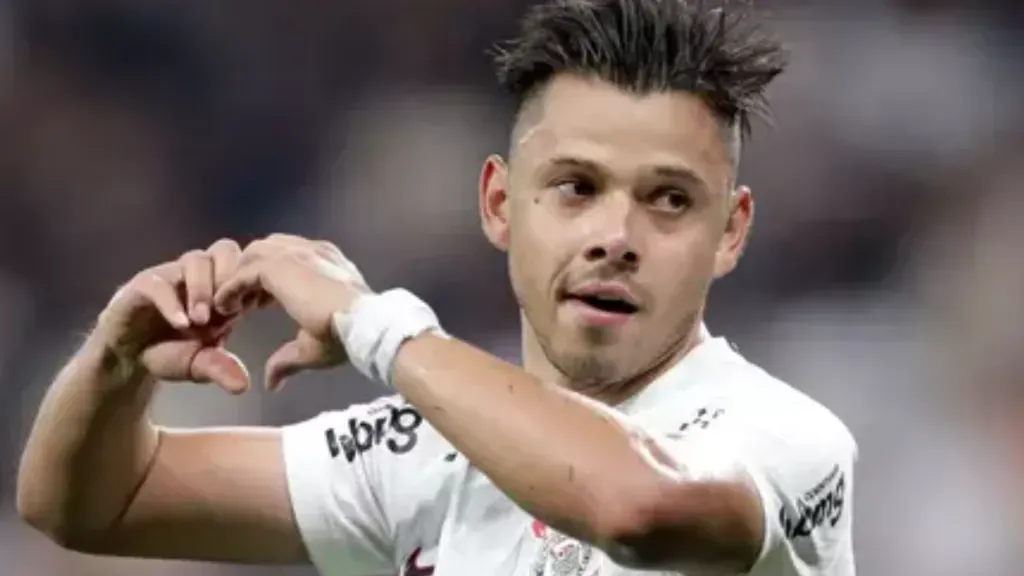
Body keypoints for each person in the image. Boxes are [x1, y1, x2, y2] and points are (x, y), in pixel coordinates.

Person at [15, 0, 857, 574]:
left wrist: (374, 325)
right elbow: (90, 501)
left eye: (669, 201)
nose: (616, 238)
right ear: (499, 204)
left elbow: (638, 510)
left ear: (731, 232)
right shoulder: (421, 454)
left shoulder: (786, 439)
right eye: (575, 187)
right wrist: (117, 362)